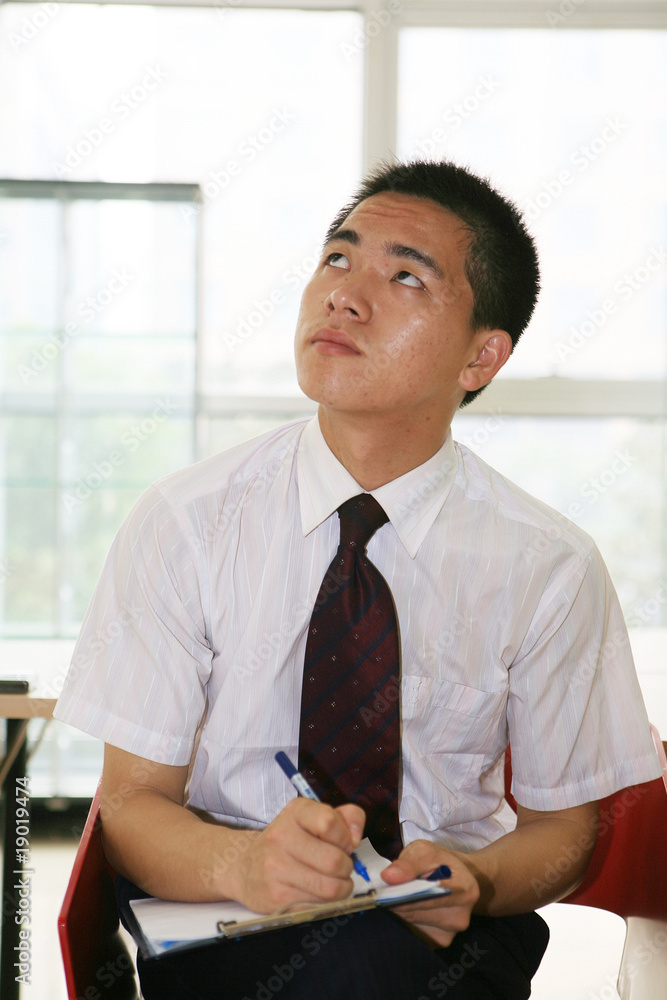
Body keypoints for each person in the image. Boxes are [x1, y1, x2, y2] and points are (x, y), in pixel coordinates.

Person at [54, 160, 661, 1000]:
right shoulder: (188, 523)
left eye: (404, 275)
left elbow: (564, 832)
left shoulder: (547, 565)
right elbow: (129, 805)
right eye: (337, 259)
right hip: (219, 911)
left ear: (481, 356)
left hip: (442, 930)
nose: (343, 295)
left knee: (373, 964)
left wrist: (477, 881)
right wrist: (246, 860)